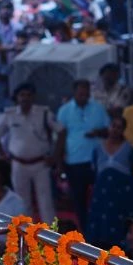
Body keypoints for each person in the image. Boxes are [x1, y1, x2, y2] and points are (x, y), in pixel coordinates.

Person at [0, 82, 62, 225]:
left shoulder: (43, 113)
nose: (25, 98)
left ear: (33, 97)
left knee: (46, 202)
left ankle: (51, 237)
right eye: (22, 95)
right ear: (17, 97)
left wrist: (55, 156)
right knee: (22, 202)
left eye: (29, 95)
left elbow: (61, 131)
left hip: (40, 164)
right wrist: (2, 155)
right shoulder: (9, 115)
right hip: (18, 164)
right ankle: (26, 237)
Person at [55, 79, 108, 230]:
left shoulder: (98, 109)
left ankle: (99, 228)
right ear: (74, 92)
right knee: (79, 200)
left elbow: (109, 130)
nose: (84, 96)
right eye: (81, 93)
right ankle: (85, 231)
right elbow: (60, 138)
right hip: (74, 163)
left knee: (100, 198)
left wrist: (98, 132)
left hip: (97, 162)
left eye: (86, 93)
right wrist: (59, 164)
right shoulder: (64, 111)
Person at [85, 114, 133, 249]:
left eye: (119, 127)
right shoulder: (98, 148)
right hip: (101, 197)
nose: (115, 130)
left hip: (120, 198)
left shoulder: (129, 149)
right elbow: (94, 173)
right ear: (108, 127)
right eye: (113, 126)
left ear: (123, 130)